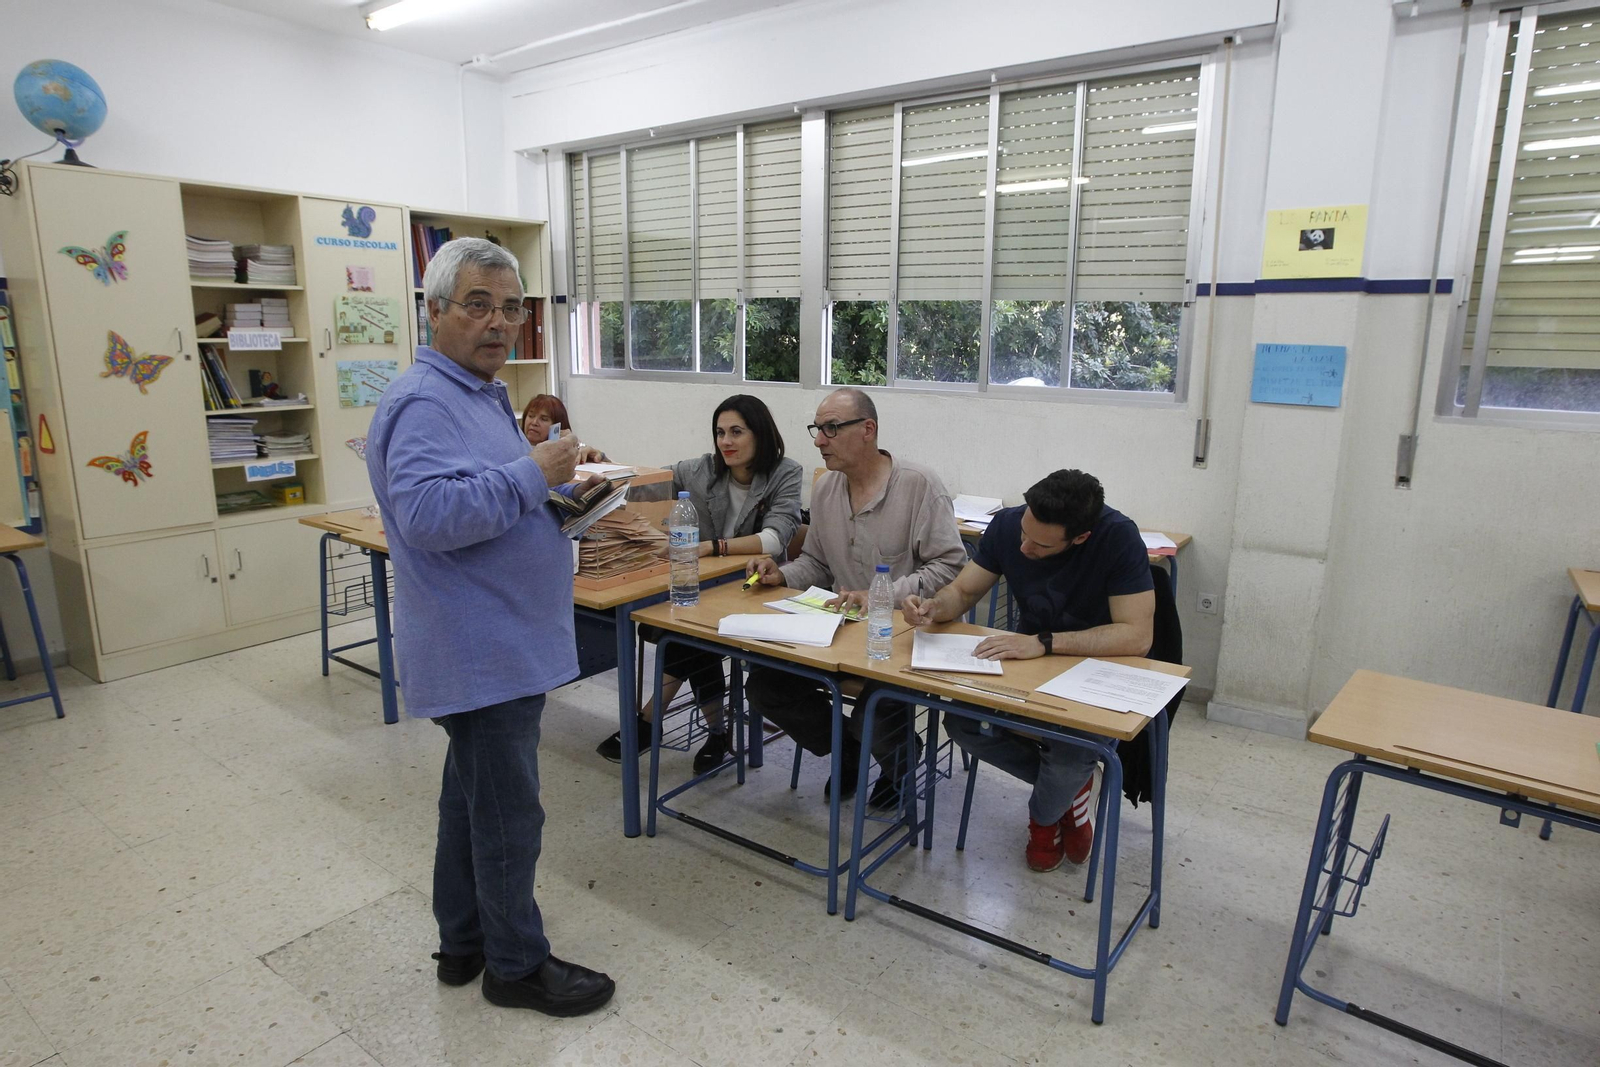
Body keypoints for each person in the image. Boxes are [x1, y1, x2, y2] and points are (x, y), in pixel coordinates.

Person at [366, 237, 615, 1016]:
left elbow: (486, 496)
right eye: (477, 304)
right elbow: (430, 513)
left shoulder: (478, 392)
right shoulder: (423, 401)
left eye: (511, 307)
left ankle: (464, 940)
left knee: (469, 801)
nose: (499, 323)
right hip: (483, 647)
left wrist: (556, 495)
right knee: (510, 809)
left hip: (501, 640)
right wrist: (531, 473)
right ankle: (515, 964)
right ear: (434, 310)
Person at [902, 469, 1155, 873]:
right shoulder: (1007, 525)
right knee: (965, 725)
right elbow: (964, 591)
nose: (1024, 548)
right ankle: (1070, 796)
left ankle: (1043, 819)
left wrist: (1044, 642)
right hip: (1027, 665)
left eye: (1040, 545)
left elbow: (1136, 636)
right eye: (1024, 533)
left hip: (1096, 671)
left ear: (1080, 538)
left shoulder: (1118, 538)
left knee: (1072, 750)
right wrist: (936, 606)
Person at [744, 388, 966, 808]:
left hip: (902, 634)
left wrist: (881, 596)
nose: (819, 440)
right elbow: (818, 564)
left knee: (873, 714)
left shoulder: (919, 485)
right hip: (842, 633)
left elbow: (950, 569)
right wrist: (782, 574)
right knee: (765, 686)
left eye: (831, 428)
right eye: (817, 429)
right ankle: (849, 751)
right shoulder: (827, 489)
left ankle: (899, 764)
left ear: (868, 430)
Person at [596, 394, 803, 773]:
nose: (726, 441)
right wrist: (604, 466)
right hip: (703, 589)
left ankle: (648, 721)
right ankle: (717, 733)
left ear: (760, 434)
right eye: (720, 432)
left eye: (737, 432)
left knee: (691, 632)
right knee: (693, 630)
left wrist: (712, 547)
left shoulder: (785, 472)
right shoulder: (702, 469)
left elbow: (777, 538)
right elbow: (646, 485)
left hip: (757, 589)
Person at [520, 394, 606, 463]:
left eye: (544, 419)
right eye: (531, 416)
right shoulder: (514, 448)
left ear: (557, 427)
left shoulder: (566, 450)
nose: (534, 422)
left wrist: (600, 456)